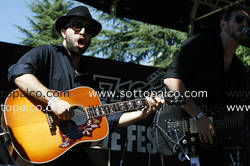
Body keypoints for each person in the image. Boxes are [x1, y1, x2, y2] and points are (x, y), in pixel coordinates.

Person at [6, 6, 164, 166]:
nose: (82, 32)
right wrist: (53, 101)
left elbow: (108, 117)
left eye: (88, 30)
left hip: (70, 157)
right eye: (76, 26)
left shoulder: (89, 83)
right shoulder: (47, 53)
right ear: (63, 32)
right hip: (37, 144)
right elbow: (19, 74)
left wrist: (142, 112)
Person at [163, 6, 249, 166]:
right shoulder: (201, 44)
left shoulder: (239, 70)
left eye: (248, 22)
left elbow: (235, 111)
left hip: (213, 142)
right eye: (239, 19)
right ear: (223, 24)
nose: (245, 23)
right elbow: (171, 82)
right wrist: (199, 116)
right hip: (180, 133)